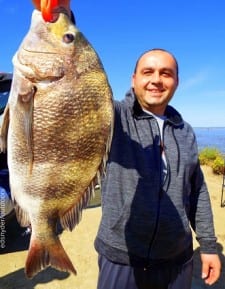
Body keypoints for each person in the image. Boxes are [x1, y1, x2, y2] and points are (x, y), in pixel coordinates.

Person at [94, 48, 221, 289]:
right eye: (147, 72)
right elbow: (77, 92)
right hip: (122, 257)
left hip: (177, 259)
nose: (156, 79)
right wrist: (60, 19)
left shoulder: (185, 131)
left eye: (166, 73)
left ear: (176, 81)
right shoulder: (114, 116)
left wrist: (208, 245)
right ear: (134, 79)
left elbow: (198, 191)